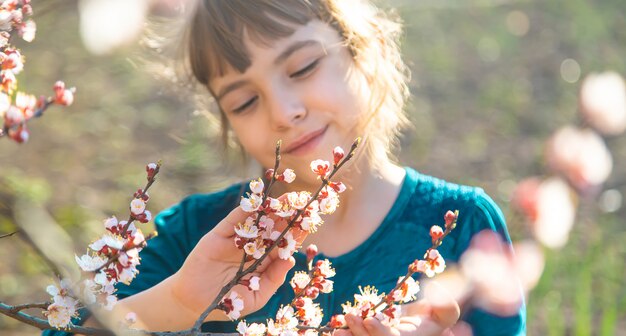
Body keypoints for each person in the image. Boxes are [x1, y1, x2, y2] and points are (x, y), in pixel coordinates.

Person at [44, 0, 525, 335]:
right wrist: (181, 304)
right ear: (225, 120)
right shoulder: (197, 239)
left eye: (302, 68)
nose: (283, 110)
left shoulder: (461, 227)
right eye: (246, 100)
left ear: (363, 46)